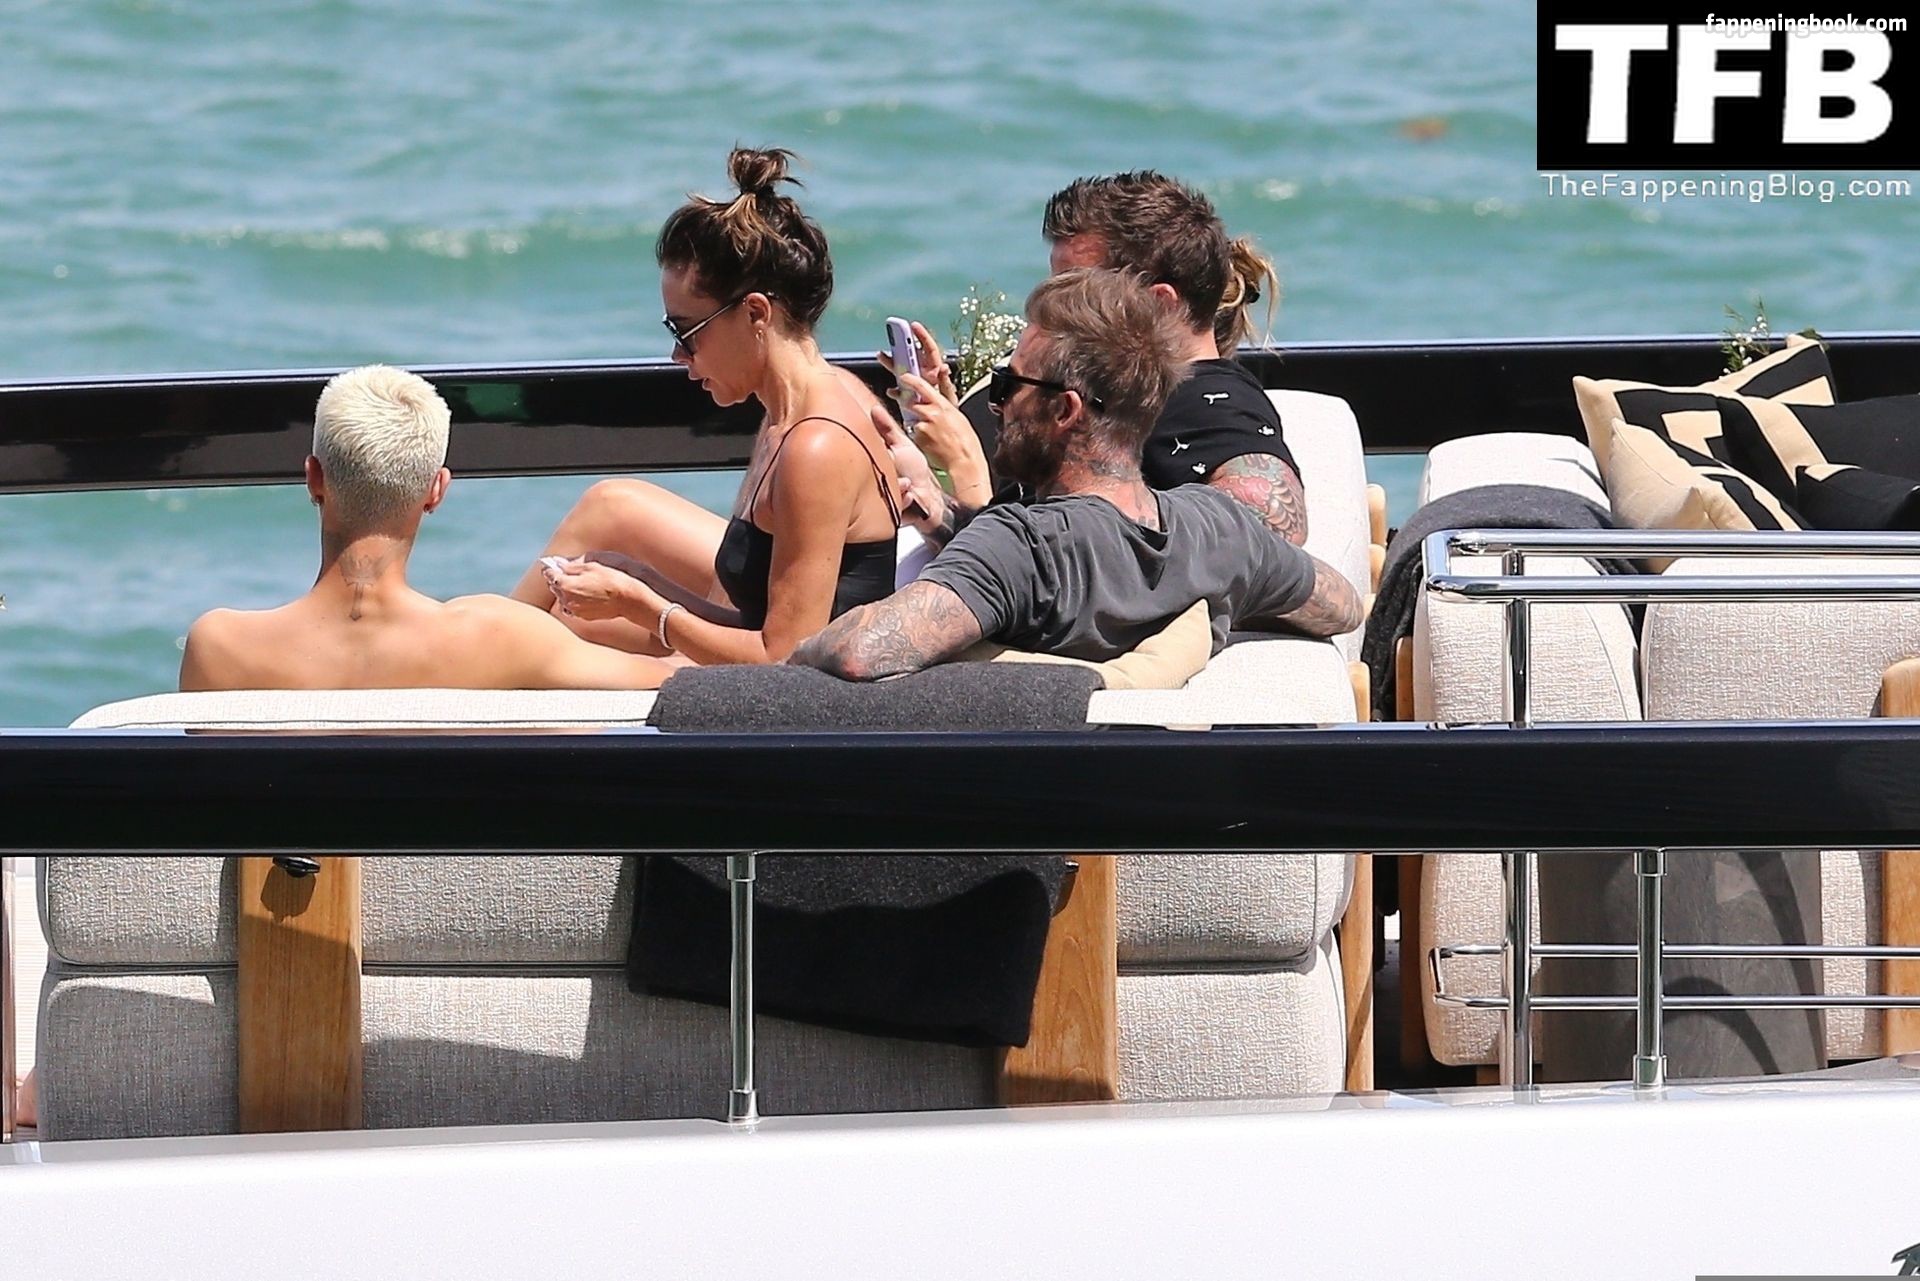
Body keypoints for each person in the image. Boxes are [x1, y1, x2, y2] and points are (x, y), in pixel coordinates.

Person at [790, 269, 1361, 681]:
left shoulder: (1024, 548)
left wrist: (793, 651)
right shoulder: (1219, 531)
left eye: (1008, 385)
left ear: (1065, 410)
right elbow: (1341, 605)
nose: (996, 405)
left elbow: (862, 652)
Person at [511, 148, 902, 664]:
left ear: (756, 313)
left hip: (802, 706)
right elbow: (756, 623)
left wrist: (643, 606)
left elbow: (782, 659)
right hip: (778, 690)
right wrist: (641, 580)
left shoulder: (816, 446)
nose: (678, 355)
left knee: (536, 648)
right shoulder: (792, 411)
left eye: (686, 331)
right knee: (558, 628)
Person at [179, 365, 672, 692]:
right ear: (436, 490)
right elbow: (681, 685)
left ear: (314, 478)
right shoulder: (503, 639)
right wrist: (650, 607)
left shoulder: (219, 648)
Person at [883, 169, 1306, 545]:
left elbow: (1275, 527)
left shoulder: (1208, 401)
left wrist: (968, 474)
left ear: (1159, 305)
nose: (1052, 306)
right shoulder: (1109, 394)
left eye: (1076, 290)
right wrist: (939, 509)